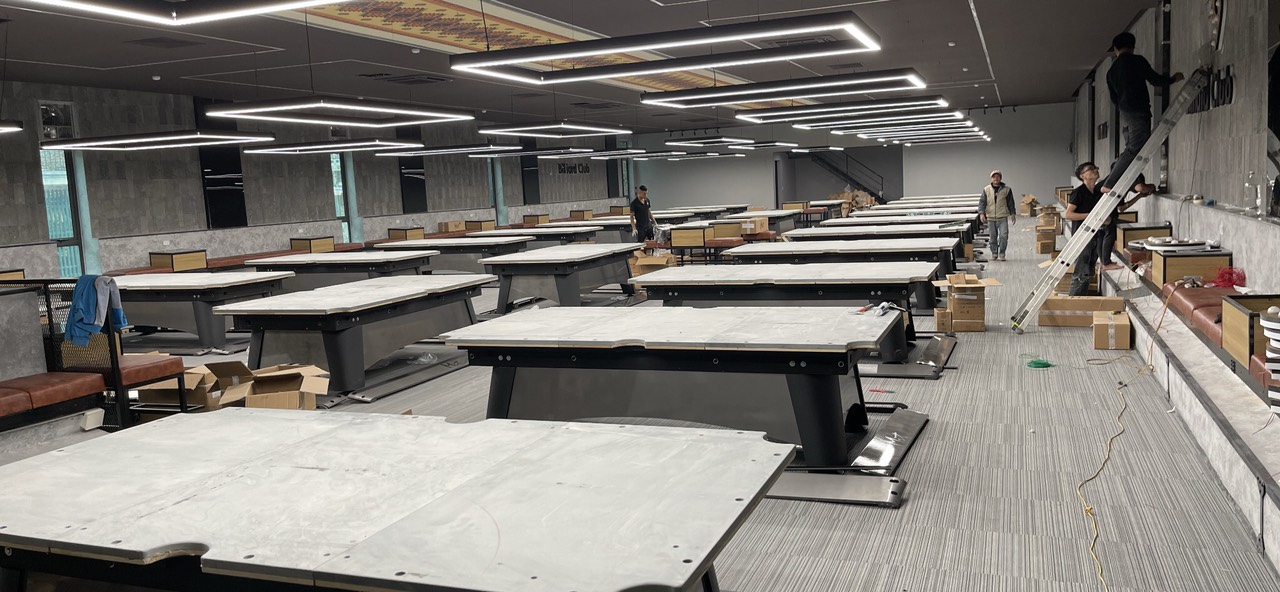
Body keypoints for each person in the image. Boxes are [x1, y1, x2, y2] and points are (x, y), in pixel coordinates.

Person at [1100, 32, 1183, 196]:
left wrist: (1124, 110)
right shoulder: (1136, 61)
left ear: (1115, 48)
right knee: (1134, 148)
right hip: (1138, 110)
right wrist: (1173, 79)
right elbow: (1154, 79)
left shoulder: (1111, 71)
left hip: (1125, 113)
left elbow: (1114, 98)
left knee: (1133, 150)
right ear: (1133, 46)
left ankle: (1122, 181)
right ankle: (1110, 183)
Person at [1065, 162, 1149, 293]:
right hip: (1082, 238)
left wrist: (1105, 219)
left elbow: (1107, 212)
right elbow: (1069, 215)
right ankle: (1075, 300)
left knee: (1088, 272)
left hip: (1094, 237)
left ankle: (1081, 298)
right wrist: (1093, 217)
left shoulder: (1097, 192)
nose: (1095, 170)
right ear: (1083, 176)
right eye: (1091, 169)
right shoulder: (1078, 192)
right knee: (1081, 273)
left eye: (1096, 168)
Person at [977, 170, 1016, 261]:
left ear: (1000, 178)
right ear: (991, 179)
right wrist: (981, 213)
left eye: (998, 177)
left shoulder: (1007, 189)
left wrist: (1013, 214)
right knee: (993, 237)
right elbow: (982, 202)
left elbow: (1011, 203)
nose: (996, 178)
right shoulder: (986, 189)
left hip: (1002, 217)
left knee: (1004, 236)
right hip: (991, 217)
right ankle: (994, 253)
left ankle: (1002, 253)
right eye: (994, 177)